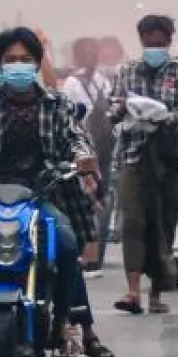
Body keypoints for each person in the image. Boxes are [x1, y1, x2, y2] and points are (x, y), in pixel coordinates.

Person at [0, 28, 113, 357]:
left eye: (25, 60)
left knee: (66, 244)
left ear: (37, 63)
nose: (18, 66)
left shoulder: (57, 104)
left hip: (42, 197)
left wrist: (83, 157)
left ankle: (65, 325)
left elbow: (76, 137)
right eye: (11, 60)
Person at [107, 14, 178, 315]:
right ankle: (132, 290)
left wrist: (162, 117)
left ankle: (157, 292)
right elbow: (113, 112)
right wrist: (124, 110)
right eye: (150, 43)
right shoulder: (126, 71)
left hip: (169, 160)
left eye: (160, 43)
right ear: (142, 41)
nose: (155, 47)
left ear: (169, 42)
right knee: (133, 221)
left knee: (163, 222)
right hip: (132, 157)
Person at [62, 37, 114, 272]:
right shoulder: (72, 84)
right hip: (82, 149)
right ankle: (86, 253)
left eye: (93, 51)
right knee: (88, 199)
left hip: (104, 148)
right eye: (87, 52)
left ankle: (94, 254)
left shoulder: (103, 82)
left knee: (99, 199)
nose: (91, 56)